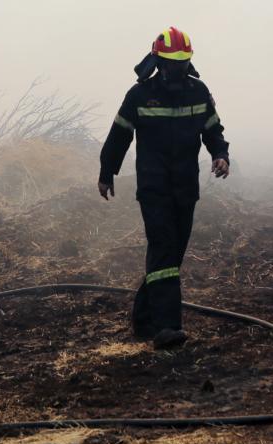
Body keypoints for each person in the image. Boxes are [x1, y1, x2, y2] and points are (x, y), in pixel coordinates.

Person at [98, 27, 230, 349]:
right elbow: (119, 136)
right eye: (172, 62)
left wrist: (220, 154)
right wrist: (107, 171)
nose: (177, 68)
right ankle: (166, 328)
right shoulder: (139, 95)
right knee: (164, 247)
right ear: (158, 61)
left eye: (183, 62)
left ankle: (143, 320)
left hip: (186, 187)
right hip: (154, 187)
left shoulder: (198, 93)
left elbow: (212, 128)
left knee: (171, 254)